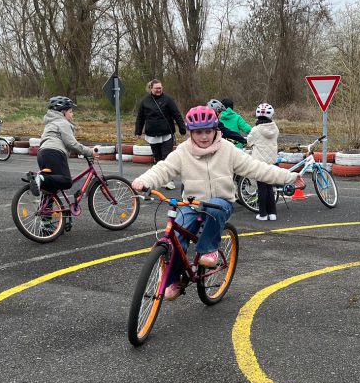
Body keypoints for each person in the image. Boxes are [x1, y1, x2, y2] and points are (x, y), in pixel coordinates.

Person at [130, 105, 303, 300]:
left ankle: (209, 250)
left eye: (208, 131)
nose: (204, 137)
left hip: (221, 203)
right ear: (190, 133)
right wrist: (144, 181)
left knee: (216, 206)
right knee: (175, 240)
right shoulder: (183, 152)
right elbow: (163, 169)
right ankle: (173, 281)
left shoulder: (228, 150)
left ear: (215, 130)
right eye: (198, 132)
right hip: (192, 205)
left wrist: (289, 177)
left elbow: (257, 168)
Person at [26, 96, 95, 198]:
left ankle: (46, 208)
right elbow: (71, 144)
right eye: (70, 111)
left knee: (51, 188)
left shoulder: (50, 123)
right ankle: (39, 178)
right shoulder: (63, 123)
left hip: (42, 154)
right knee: (66, 181)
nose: (72, 114)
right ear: (63, 112)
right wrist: (90, 151)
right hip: (54, 153)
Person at [134, 79, 185, 162]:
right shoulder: (145, 101)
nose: (159, 90)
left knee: (166, 158)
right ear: (151, 88)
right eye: (156, 88)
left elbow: (176, 114)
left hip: (167, 134)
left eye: (160, 88)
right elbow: (140, 118)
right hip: (152, 135)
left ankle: (167, 170)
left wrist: (182, 128)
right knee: (157, 159)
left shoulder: (168, 99)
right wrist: (138, 132)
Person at [246, 102, 281, 221]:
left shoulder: (256, 130)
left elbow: (249, 142)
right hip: (271, 162)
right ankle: (273, 214)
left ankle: (263, 214)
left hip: (259, 163)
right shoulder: (275, 129)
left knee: (261, 188)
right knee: (269, 187)